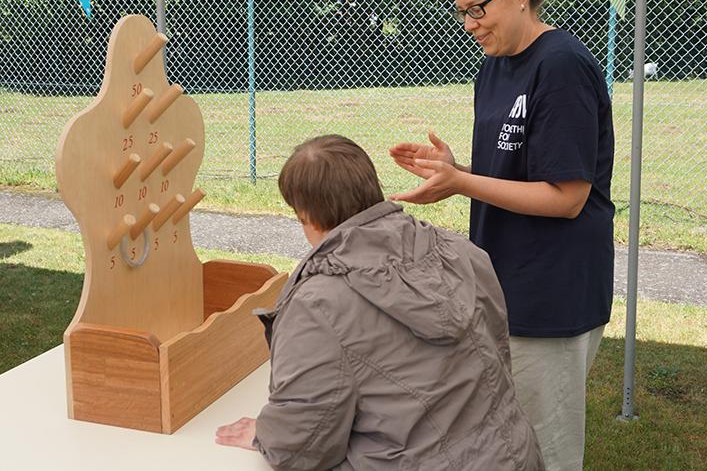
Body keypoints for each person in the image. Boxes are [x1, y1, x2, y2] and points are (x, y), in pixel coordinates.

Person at [389, 0, 615, 471]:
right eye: (460, 11)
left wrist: (461, 184)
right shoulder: (493, 68)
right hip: (501, 280)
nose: (469, 23)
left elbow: (566, 198)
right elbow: (515, 174)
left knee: (543, 447)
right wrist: (456, 169)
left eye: (477, 8)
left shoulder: (561, 65)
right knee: (502, 437)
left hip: (552, 290)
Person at [216, 135, 543, 471]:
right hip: (511, 455)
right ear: (371, 189)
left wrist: (268, 434)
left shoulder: (318, 304)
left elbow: (302, 445)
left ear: (305, 216)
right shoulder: (460, 250)